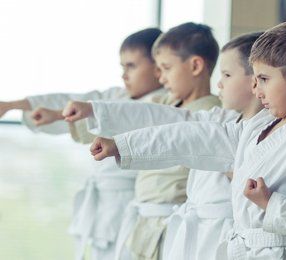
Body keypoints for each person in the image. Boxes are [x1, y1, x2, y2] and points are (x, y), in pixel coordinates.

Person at [87, 19, 286, 259]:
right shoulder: (256, 127)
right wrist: (122, 145)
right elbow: (193, 137)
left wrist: (271, 204)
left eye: (263, 78)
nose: (256, 88)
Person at [63, 32, 264, 260]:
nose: (219, 83)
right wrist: (99, 115)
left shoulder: (266, 135)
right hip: (197, 234)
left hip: (225, 239)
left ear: (256, 80)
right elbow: (165, 120)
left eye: (227, 75)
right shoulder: (220, 119)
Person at [0, 28, 165, 260]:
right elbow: (76, 101)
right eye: (122, 67)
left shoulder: (163, 105)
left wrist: (58, 114)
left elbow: (113, 116)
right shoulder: (117, 95)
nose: (124, 75)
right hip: (104, 208)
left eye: (132, 66)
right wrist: (14, 105)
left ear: (159, 67)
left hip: (132, 205)